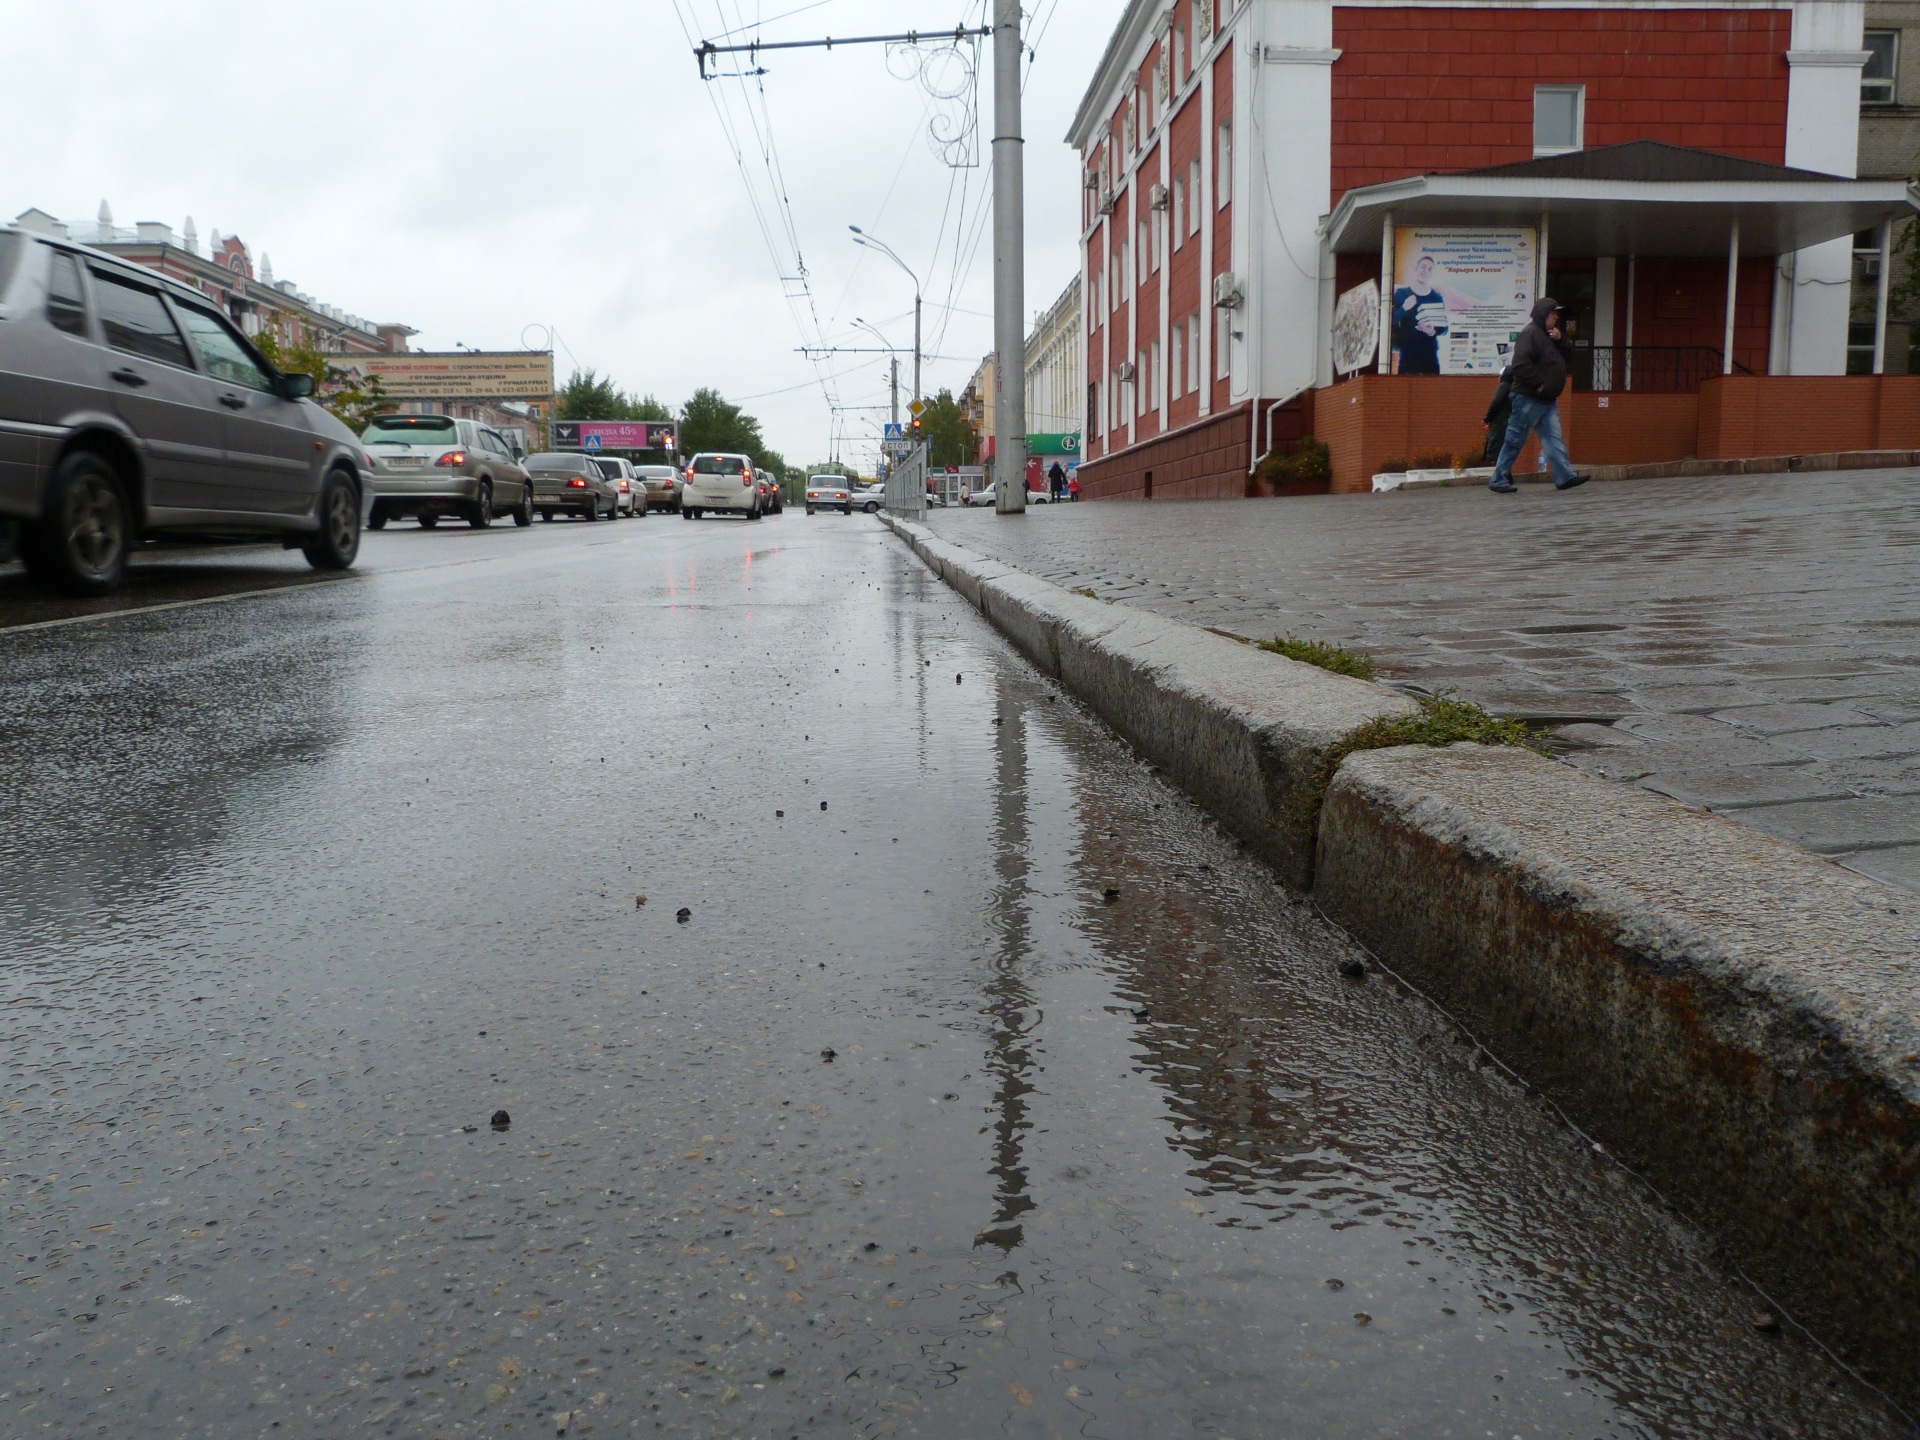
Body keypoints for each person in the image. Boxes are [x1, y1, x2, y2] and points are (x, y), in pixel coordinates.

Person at [1488, 297, 1589, 494]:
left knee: (1554, 439)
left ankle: (1564, 476)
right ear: (1543, 314)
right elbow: (1520, 364)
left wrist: (1561, 339)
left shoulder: (1549, 336)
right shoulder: (1530, 334)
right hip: (1528, 398)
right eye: (1553, 313)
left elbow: (1569, 356)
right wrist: (1539, 385)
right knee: (1515, 439)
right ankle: (1498, 479)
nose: (1556, 317)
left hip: (1547, 400)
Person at [1392, 253, 1448, 375]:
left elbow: (1444, 329)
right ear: (1416, 269)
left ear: (1432, 274)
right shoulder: (1402, 293)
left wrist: (1432, 331)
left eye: (1430, 269)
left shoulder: (1436, 297)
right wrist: (1404, 308)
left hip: (1430, 358)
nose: (1425, 271)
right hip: (1407, 358)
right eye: (1423, 267)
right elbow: (1391, 321)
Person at [1482, 364, 1514, 466]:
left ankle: (1499, 474)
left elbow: (1496, 402)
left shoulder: (1503, 386)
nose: (1498, 378)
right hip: (1508, 423)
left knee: (1496, 452)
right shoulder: (1514, 388)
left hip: (1500, 423)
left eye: (1500, 375)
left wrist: (1487, 418)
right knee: (1504, 453)